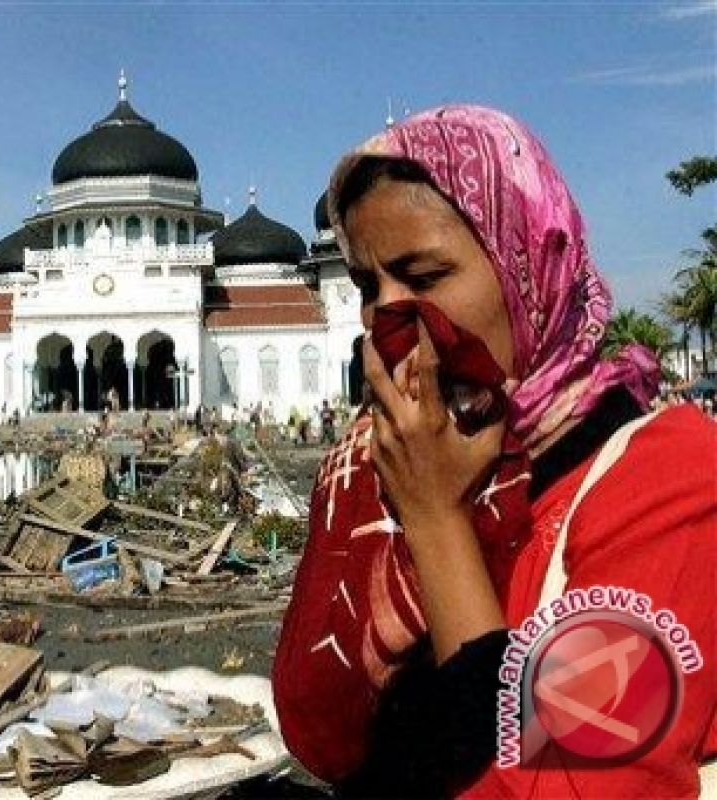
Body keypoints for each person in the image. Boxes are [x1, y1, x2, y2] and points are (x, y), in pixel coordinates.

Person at [273, 105, 716, 798]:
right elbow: (333, 735)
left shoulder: (663, 478)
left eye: (421, 277)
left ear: (527, 268)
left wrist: (436, 522)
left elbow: (567, 783)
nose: (385, 315)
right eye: (367, 285)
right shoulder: (413, 462)